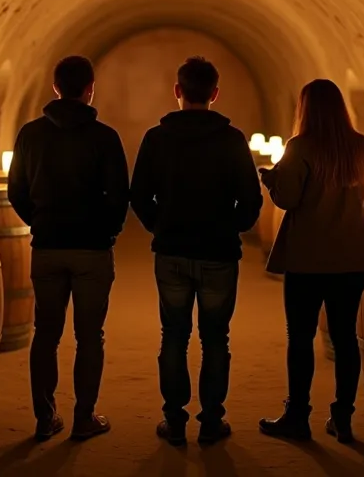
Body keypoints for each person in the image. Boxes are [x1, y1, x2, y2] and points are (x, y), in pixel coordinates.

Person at [130, 56, 263, 446]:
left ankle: (174, 421)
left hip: (171, 251)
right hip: (219, 253)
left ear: (178, 92)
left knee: (173, 335)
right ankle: (210, 421)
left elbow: (138, 195)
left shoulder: (157, 138)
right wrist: (230, 227)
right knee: (215, 338)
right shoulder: (232, 139)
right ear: (215, 94)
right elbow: (251, 200)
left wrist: (161, 225)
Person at [8, 55, 129, 442]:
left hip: (47, 247)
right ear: (90, 88)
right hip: (92, 250)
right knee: (90, 335)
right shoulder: (105, 137)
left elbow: (17, 192)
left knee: (45, 333)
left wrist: (40, 222)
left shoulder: (30, 134)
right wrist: (107, 232)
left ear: (55, 87)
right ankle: (84, 417)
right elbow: (119, 195)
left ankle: (45, 418)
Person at [258, 79, 364, 444]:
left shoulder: (300, 146)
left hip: (308, 258)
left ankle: (298, 415)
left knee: (301, 337)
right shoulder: (361, 146)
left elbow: (289, 199)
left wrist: (272, 181)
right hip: (352, 257)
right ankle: (343, 416)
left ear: (305, 109)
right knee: (346, 339)